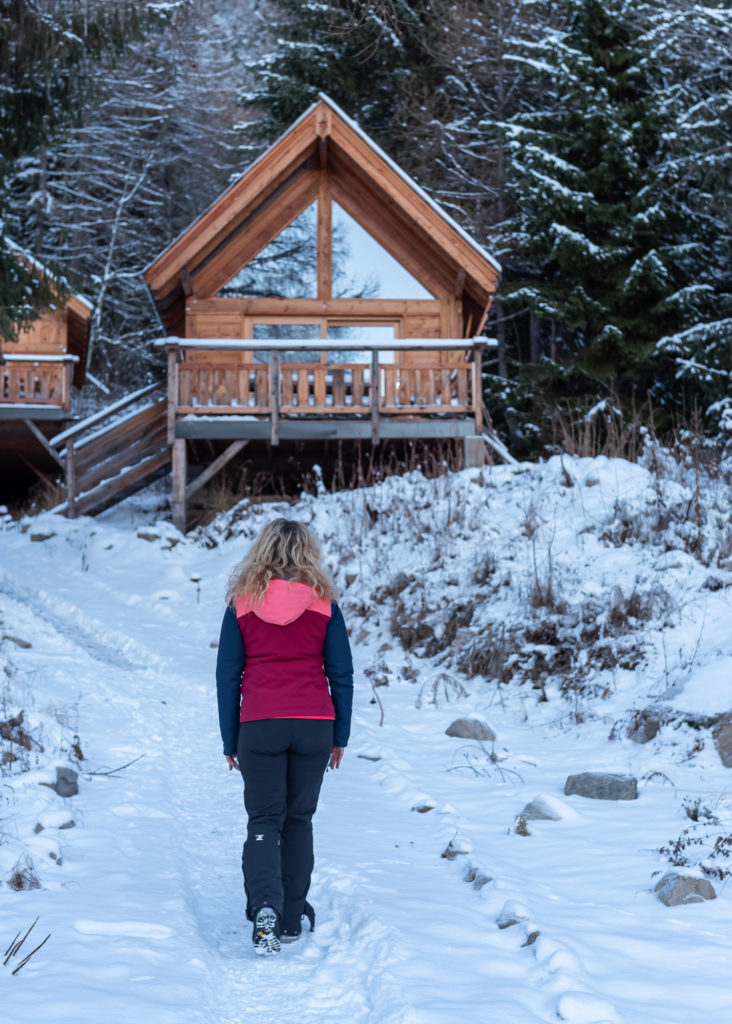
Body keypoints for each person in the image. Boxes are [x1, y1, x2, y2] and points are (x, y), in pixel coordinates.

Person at [215, 518, 354, 956]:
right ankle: (291, 918)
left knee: (264, 821)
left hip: (259, 725)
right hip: (314, 724)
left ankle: (265, 909)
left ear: (262, 551)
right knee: (299, 820)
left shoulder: (241, 604)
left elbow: (227, 677)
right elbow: (342, 674)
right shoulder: (324, 604)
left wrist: (230, 738)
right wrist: (340, 735)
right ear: (308, 554)